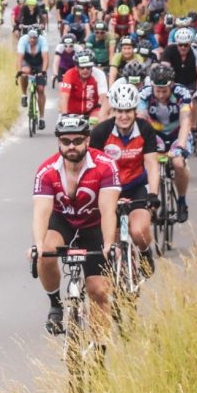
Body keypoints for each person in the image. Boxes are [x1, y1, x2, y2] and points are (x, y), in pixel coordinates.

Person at [32, 113, 121, 336]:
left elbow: (108, 209)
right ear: (59, 142)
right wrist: (37, 245)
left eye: (77, 141)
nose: (72, 146)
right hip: (63, 221)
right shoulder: (46, 170)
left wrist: (109, 244)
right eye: (66, 141)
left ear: (87, 140)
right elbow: (41, 211)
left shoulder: (105, 165)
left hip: (94, 223)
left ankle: (99, 352)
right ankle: (55, 304)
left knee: (98, 291)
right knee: (45, 252)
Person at [89, 81, 163, 265]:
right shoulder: (101, 132)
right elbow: (91, 167)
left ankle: (145, 255)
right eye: (119, 111)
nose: (124, 116)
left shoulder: (145, 129)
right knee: (112, 245)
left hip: (136, 187)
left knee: (138, 231)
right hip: (108, 190)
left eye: (128, 111)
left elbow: (152, 164)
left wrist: (153, 194)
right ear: (113, 111)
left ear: (135, 110)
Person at [139, 61, 192, 221]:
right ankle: (151, 199)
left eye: (164, 91)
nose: (161, 95)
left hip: (177, 132)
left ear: (172, 85)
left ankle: (182, 202)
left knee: (177, 163)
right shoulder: (145, 94)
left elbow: (186, 121)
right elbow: (141, 120)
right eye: (158, 91)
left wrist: (181, 146)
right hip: (156, 134)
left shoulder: (182, 93)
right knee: (148, 163)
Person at [59, 50, 108, 120]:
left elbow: (103, 97)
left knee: (96, 120)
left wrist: (103, 115)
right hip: (72, 112)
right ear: (76, 67)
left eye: (88, 67)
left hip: (92, 110)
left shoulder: (99, 74)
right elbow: (64, 97)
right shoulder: (69, 74)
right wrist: (64, 115)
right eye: (82, 68)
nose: (85, 70)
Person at [16, 28, 49, 130]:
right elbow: (19, 58)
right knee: (24, 74)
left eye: (35, 38)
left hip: (39, 63)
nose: (32, 40)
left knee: (40, 89)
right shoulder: (23, 40)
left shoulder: (43, 41)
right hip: (28, 62)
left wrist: (43, 72)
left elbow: (46, 59)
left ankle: (42, 118)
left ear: (38, 37)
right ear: (28, 36)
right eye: (31, 37)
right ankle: (24, 94)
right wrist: (19, 71)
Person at [162, 26, 197, 91]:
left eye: (186, 45)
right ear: (177, 43)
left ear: (190, 44)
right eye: (180, 45)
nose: (183, 47)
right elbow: (165, 69)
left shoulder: (195, 51)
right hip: (173, 84)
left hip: (191, 85)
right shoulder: (169, 49)